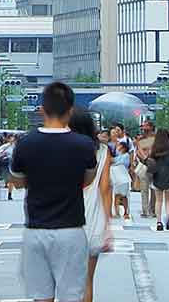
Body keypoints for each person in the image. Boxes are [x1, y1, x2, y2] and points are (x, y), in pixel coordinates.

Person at [10, 82, 97, 302]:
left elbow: (18, 183)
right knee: (71, 297)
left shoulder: (25, 144)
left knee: (41, 297)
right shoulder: (84, 145)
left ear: (42, 110)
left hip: (36, 230)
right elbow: (87, 180)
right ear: (70, 111)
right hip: (71, 229)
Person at [69, 110, 113, 302]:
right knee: (87, 280)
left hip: (66, 215)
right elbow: (105, 188)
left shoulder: (65, 147)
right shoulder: (103, 151)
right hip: (93, 216)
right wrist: (108, 224)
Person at [135, 120, 156, 218]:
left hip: (156, 165)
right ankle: (145, 210)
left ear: (151, 127)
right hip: (145, 165)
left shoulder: (157, 139)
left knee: (154, 189)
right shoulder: (140, 139)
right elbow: (138, 151)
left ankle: (152, 209)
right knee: (144, 188)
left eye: (145, 126)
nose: (143, 128)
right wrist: (145, 158)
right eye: (142, 126)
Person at [110, 141, 132, 220]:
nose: (117, 147)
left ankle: (126, 212)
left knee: (124, 195)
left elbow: (122, 163)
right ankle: (117, 212)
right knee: (116, 195)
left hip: (123, 177)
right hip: (117, 178)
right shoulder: (119, 155)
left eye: (119, 146)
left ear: (123, 147)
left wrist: (113, 163)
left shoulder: (126, 156)